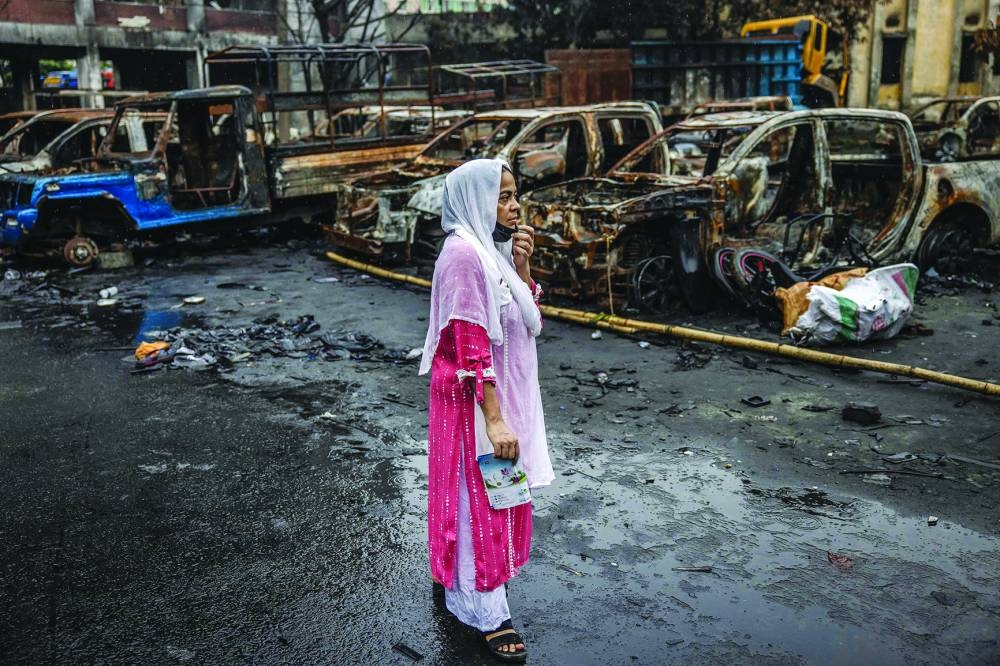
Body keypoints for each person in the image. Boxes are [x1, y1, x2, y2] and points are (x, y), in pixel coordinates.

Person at [419, 158, 554, 662]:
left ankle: (457, 574)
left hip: (498, 399)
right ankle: (485, 610)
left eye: (515, 194)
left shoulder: (490, 252)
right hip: (475, 403)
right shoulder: (462, 256)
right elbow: (468, 345)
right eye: (502, 196)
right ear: (475, 199)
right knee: (483, 503)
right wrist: (493, 418)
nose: (514, 205)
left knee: (488, 496)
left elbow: (530, 318)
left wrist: (522, 268)